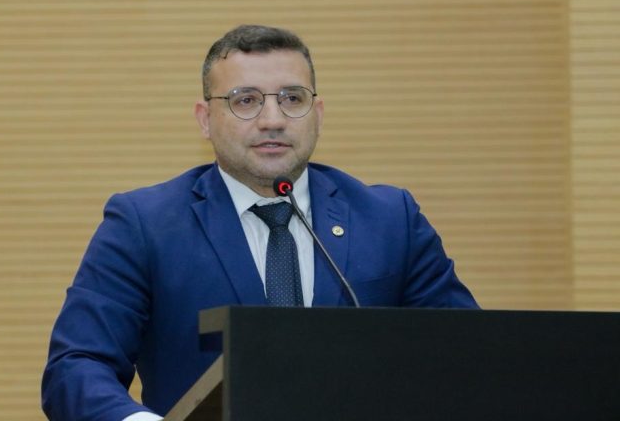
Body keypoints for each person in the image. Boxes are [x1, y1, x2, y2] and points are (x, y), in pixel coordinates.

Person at [41, 25, 479, 421]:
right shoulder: (145, 224)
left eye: (292, 99)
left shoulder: (389, 219)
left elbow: (468, 357)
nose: (273, 120)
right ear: (205, 120)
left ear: (318, 114)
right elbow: (77, 367)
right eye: (245, 100)